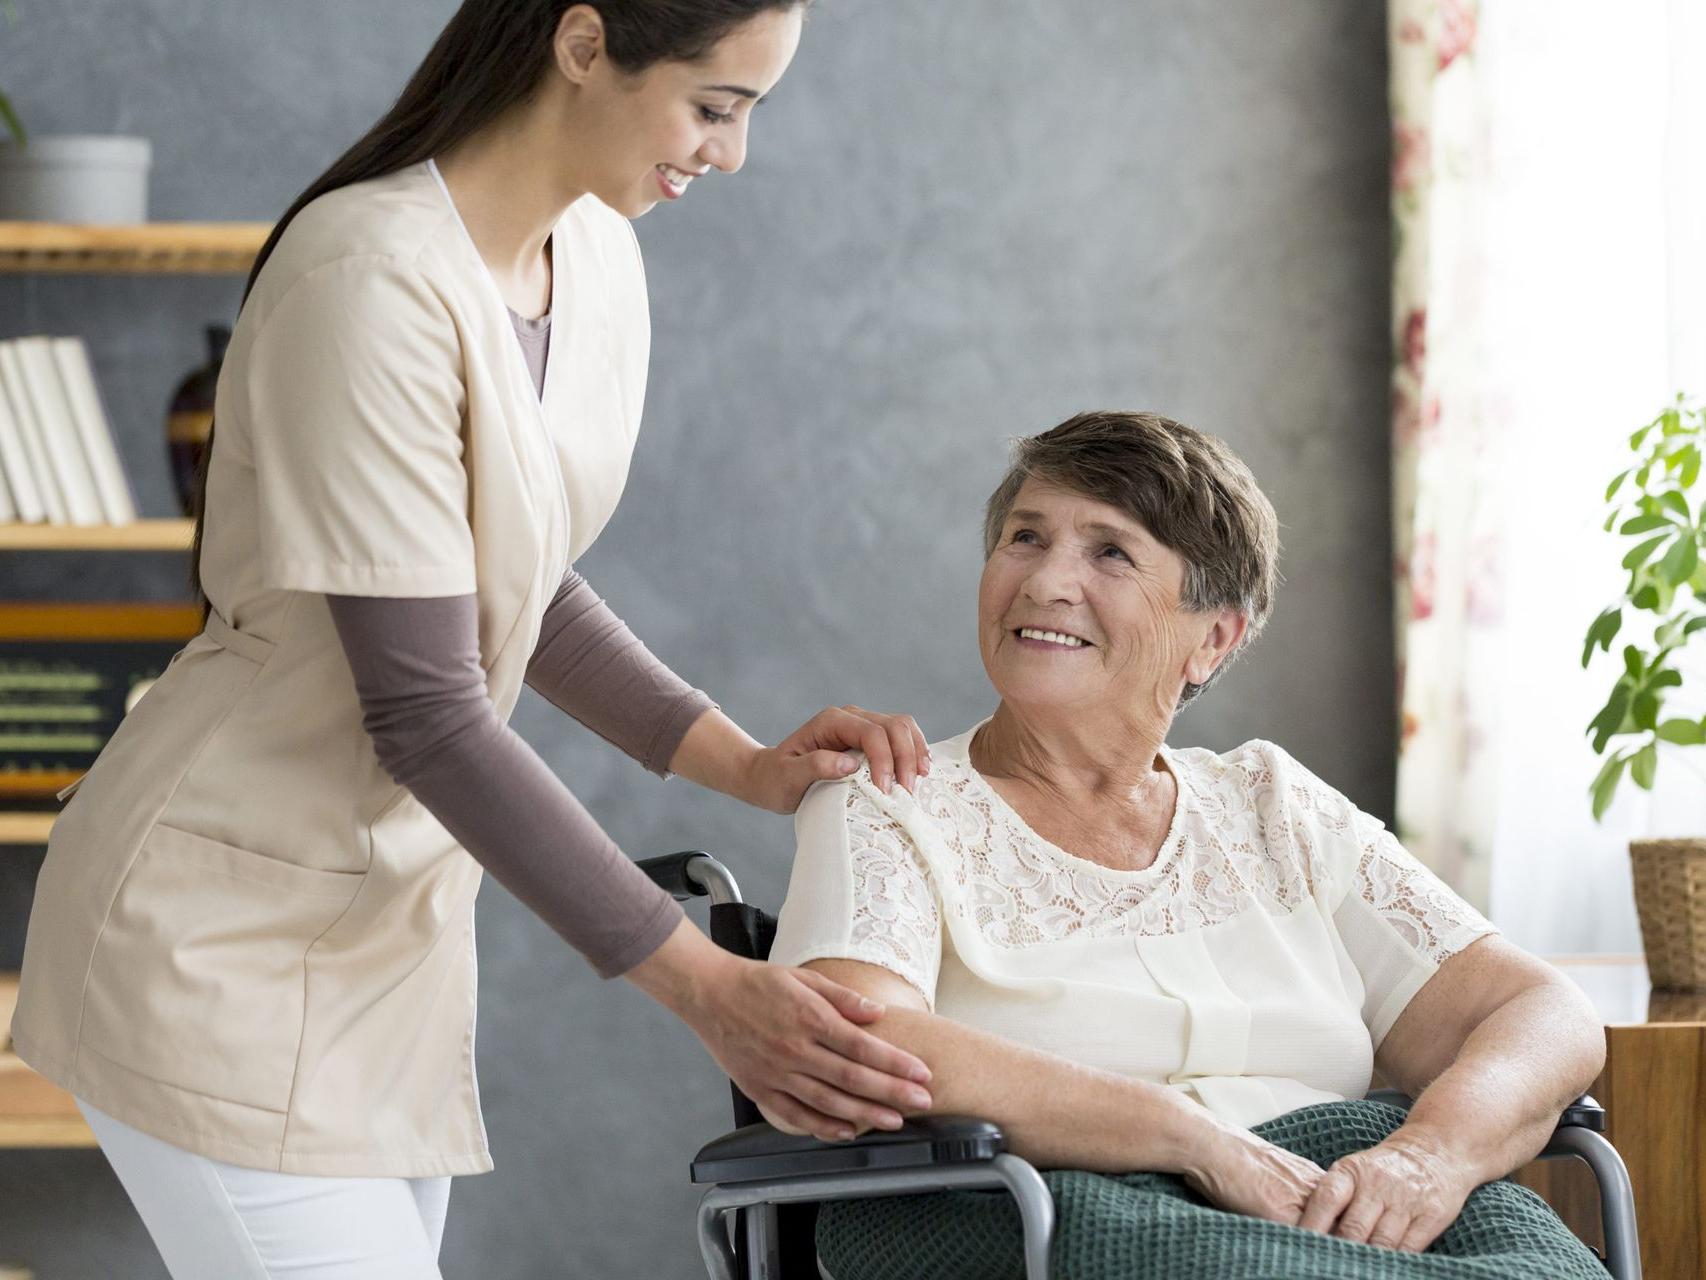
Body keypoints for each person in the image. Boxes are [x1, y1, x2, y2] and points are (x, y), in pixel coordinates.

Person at [9, 4, 939, 1276]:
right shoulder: (368, 278)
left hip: (388, 946)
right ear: (580, 43)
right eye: (712, 108)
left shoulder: (598, 252)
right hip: (213, 936)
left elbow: (519, 570)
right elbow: (431, 710)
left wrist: (743, 761)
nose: (728, 155)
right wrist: (713, 994)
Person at [770, 410, 1609, 1278]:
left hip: (1329, 1193)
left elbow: (1542, 1014)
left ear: (1212, 638)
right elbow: (853, 1038)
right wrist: (1191, 1139)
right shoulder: (890, 799)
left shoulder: (1272, 805)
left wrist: (1427, 1158)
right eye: (1026, 537)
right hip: (1054, 1206)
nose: (1046, 581)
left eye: (1111, 552)